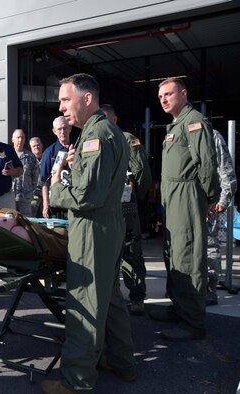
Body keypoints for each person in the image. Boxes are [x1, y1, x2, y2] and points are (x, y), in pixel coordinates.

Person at [41, 73, 135, 393]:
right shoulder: (106, 132)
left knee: (84, 301)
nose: (61, 107)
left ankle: (76, 380)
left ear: (87, 99)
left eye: (66, 100)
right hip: (107, 226)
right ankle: (122, 362)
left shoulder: (95, 135)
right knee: (109, 299)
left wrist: (55, 192)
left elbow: (86, 196)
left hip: (93, 229)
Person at [150, 77, 220, 342]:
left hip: (188, 197)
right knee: (174, 254)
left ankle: (192, 323)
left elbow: (206, 165)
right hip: (173, 198)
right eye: (160, 97)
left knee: (188, 257)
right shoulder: (177, 125)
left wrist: (209, 198)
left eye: (168, 94)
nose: (164, 100)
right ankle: (180, 309)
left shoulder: (194, 122)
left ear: (183, 93)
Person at [101, 104, 152, 316]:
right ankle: (111, 297)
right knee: (107, 253)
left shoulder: (127, 138)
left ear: (114, 119)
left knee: (131, 251)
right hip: (104, 206)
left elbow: (140, 171)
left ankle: (137, 296)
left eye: (105, 118)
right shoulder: (95, 138)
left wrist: (136, 197)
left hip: (125, 205)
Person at [206, 129, 236, 305]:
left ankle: (210, 289)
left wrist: (223, 201)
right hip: (187, 204)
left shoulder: (212, 135)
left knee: (209, 244)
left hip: (209, 203)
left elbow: (226, 171)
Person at [40, 116, 72, 219]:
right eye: (59, 129)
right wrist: (45, 204)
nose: (62, 131)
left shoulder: (78, 147)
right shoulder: (49, 153)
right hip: (56, 203)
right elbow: (44, 181)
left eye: (65, 128)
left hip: (74, 200)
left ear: (70, 128)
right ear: (54, 131)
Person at [11, 128, 39, 216]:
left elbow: (36, 176)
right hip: (10, 197)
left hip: (26, 199)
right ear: (12, 139)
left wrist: (31, 191)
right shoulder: (8, 155)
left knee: (26, 224)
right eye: (18, 137)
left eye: (22, 138)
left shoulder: (30, 157)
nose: (20, 140)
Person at [29, 136, 44, 217]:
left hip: (48, 195)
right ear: (31, 148)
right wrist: (38, 192)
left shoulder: (48, 159)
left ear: (42, 145)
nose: (36, 147)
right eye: (34, 146)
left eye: (38, 145)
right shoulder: (28, 161)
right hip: (33, 197)